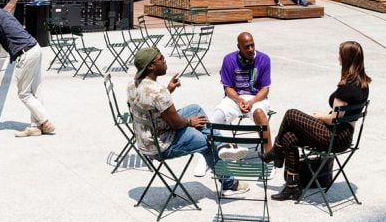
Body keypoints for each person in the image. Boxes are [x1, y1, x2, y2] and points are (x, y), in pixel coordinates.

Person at [127, 47, 250, 195]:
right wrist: (190, 122)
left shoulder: (133, 84)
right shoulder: (158, 92)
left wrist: (168, 90)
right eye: (161, 59)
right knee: (208, 142)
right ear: (151, 66)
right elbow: (176, 123)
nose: (165, 61)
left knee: (195, 109)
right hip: (162, 144)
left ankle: (221, 144)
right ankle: (229, 183)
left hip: (145, 138)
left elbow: (151, 104)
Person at [263, 41, 371, 201]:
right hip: (345, 137)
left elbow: (334, 119)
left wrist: (319, 116)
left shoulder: (346, 88)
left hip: (334, 138)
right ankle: (292, 187)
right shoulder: (363, 85)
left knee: (291, 114)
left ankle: (276, 152)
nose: (338, 58)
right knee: (289, 136)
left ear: (346, 59)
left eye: (340, 55)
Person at [0, 0, 55, 138]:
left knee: (24, 93)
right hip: (34, 47)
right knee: (35, 90)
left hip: (25, 53)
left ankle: (45, 122)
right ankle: (35, 127)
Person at [195, 31, 273, 176]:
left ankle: (270, 159)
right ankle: (205, 157)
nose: (250, 49)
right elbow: (228, 88)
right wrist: (240, 100)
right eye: (246, 47)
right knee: (215, 118)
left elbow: (265, 89)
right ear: (239, 47)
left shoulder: (264, 59)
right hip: (235, 98)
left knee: (260, 114)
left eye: (252, 45)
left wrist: (251, 101)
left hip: (257, 98)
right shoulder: (229, 60)